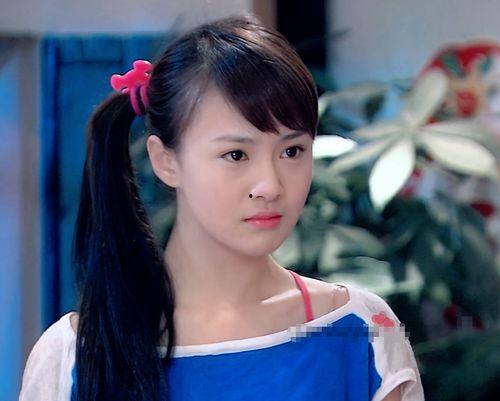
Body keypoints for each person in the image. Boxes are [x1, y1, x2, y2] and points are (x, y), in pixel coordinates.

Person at [18, 13, 425, 401]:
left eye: (292, 151)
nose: (270, 185)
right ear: (166, 161)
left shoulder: (360, 332)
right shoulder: (75, 353)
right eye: (236, 155)